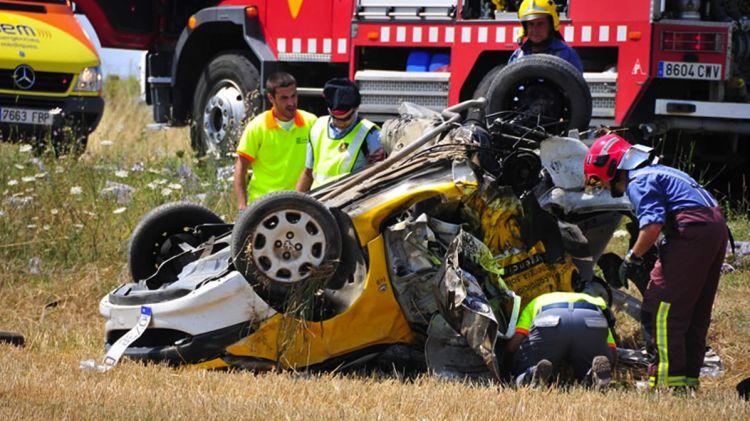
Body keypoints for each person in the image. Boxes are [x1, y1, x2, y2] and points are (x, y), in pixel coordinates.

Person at [583, 133, 728, 390]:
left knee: (659, 309)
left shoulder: (639, 180)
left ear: (611, 167)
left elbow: (651, 226)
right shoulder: (660, 171)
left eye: (600, 180)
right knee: (693, 311)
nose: (602, 186)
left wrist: (631, 259)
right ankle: (685, 382)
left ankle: (664, 384)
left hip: (691, 230)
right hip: (714, 228)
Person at [233, 72, 317, 210]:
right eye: (284, 98)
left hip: (300, 203)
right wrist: (242, 207)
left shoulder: (311, 122)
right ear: (271, 98)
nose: (291, 103)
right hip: (263, 204)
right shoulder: (257, 127)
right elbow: (241, 168)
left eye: (293, 96)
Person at [506, 291, 617, 388]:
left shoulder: (537, 301)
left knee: (525, 366)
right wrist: (611, 366)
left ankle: (531, 374)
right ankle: (593, 376)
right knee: (589, 365)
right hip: (592, 318)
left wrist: (511, 360)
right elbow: (612, 351)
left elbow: (514, 344)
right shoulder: (595, 301)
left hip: (549, 318)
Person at [296, 78, 384, 192]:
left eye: (346, 118)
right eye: (336, 118)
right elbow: (308, 172)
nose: (341, 123)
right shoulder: (317, 127)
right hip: (318, 202)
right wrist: (293, 205)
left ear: (356, 108)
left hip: (350, 203)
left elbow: (380, 175)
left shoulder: (370, 134)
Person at [508, 0, 584, 73]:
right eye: (531, 24)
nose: (535, 29)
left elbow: (575, 85)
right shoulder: (517, 56)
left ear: (551, 25)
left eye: (540, 24)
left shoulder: (567, 54)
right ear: (525, 27)